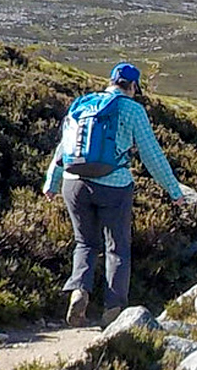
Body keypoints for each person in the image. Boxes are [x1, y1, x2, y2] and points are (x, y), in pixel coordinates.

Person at [43, 63, 185, 325]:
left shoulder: (82, 103)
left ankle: (79, 291)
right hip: (114, 185)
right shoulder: (132, 109)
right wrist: (174, 190)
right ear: (132, 86)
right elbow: (151, 155)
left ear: (110, 81)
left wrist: (52, 182)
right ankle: (114, 309)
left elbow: (63, 147)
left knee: (84, 242)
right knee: (117, 247)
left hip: (74, 183)